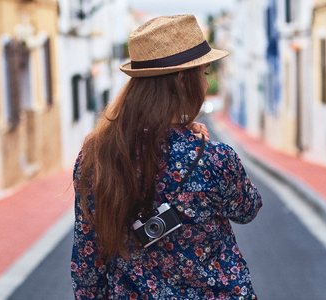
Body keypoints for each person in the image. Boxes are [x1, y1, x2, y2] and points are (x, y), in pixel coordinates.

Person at [71, 14, 263, 300]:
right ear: (185, 79)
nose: (205, 81)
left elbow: (88, 266)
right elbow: (247, 209)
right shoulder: (216, 159)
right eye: (205, 72)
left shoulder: (97, 157)